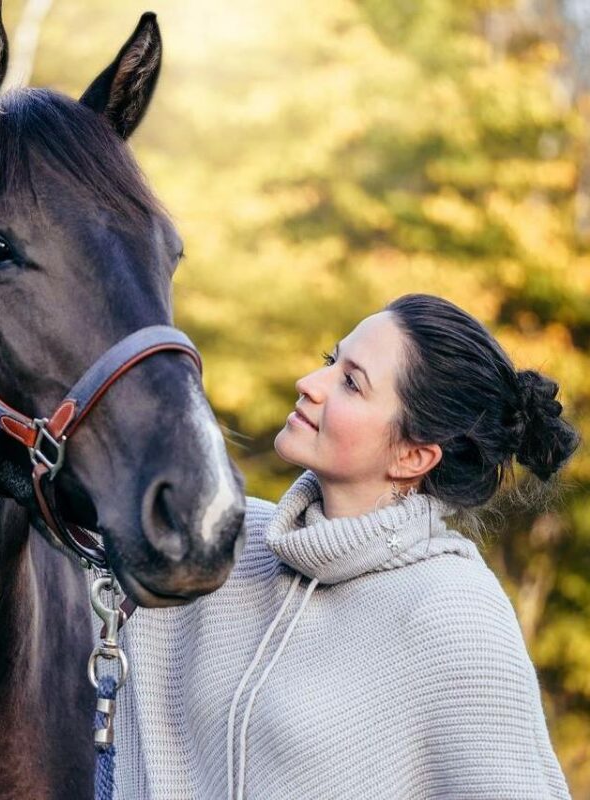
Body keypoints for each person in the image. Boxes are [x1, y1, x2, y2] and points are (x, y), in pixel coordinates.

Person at [109, 293, 580, 800]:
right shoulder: (221, 538)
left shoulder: (456, 615)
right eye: (331, 363)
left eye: (351, 383)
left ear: (413, 455)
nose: (309, 385)